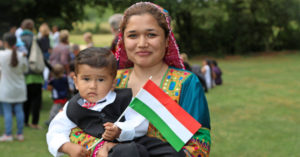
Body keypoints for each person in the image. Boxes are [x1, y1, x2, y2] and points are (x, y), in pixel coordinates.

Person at [111, 2, 211, 156]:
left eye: (151, 34)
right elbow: (78, 126)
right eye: (132, 35)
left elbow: (199, 144)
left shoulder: (186, 83)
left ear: (166, 41)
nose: (142, 44)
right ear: (122, 41)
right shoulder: (112, 81)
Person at [46, 47, 148, 157]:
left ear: (113, 82)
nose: (92, 86)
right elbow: (56, 130)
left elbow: (140, 124)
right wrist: (67, 146)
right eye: (86, 79)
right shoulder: (72, 107)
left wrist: (120, 130)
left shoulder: (124, 100)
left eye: (100, 80)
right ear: (76, 82)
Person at [0, 33, 28, 142]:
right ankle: (20, 134)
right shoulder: (22, 55)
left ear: (5, 43)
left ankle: (8, 134)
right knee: (19, 110)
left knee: (7, 111)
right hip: (19, 87)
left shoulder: (2, 54)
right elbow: (25, 70)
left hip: (6, 88)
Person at [20, 18, 44, 129]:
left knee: (26, 100)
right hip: (36, 74)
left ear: (22, 27)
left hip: (24, 75)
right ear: (32, 28)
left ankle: (25, 122)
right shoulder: (36, 39)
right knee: (36, 100)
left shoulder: (19, 40)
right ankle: (34, 123)